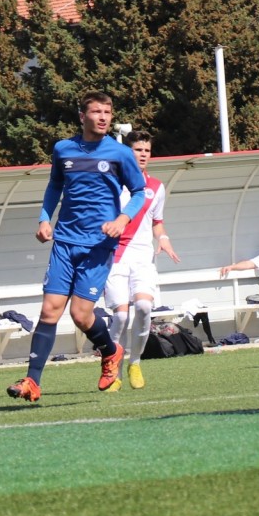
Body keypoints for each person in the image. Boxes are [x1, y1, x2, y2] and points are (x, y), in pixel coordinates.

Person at [7, 91, 146, 403]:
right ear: (82, 116)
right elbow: (55, 185)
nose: (103, 118)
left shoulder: (119, 153)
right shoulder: (63, 149)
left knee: (81, 316)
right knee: (49, 310)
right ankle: (33, 381)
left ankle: (111, 352)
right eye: (96, 112)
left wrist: (122, 219)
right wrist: (45, 219)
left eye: (107, 112)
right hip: (65, 242)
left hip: (99, 246)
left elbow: (139, 192)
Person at [102, 130, 180, 391]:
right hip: (114, 257)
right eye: (138, 149)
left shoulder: (156, 187)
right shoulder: (112, 183)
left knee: (145, 309)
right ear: (128, 153)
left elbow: (157, 222)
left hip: (143, 258)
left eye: (147, 150)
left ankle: (135, 362)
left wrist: (164, 238)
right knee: (121, 319)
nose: (143, 154)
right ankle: (113, 370)